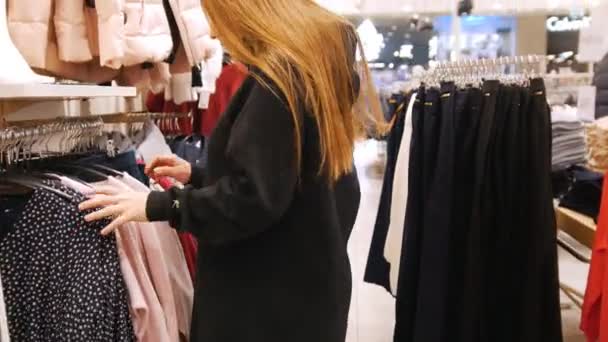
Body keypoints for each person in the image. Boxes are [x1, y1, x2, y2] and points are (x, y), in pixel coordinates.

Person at [79, 0, 386, 341]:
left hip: (263, 302)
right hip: (306, 285)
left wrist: (158, 205)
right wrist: (198, 174)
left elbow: (251, 200)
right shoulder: (312, 71)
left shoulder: (277, 82)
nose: (213, 31)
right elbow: (287, 176)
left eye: (214, 16)